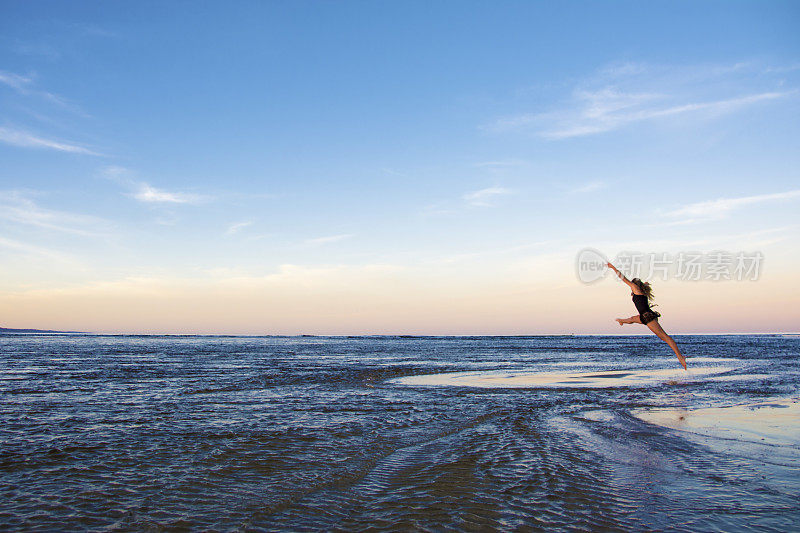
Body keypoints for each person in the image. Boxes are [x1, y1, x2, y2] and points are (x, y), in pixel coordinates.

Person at [606, 262, 687, 370]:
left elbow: (623, 278)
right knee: (632, 319)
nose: (631, 286)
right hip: (644, 316)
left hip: (647, 317)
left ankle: (680, 357)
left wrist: (612, 268)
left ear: (634, 284)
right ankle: (622, 321)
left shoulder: (635, 288)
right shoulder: (640, 290)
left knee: (664, 337)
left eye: (632, 284)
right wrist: (645, 284)